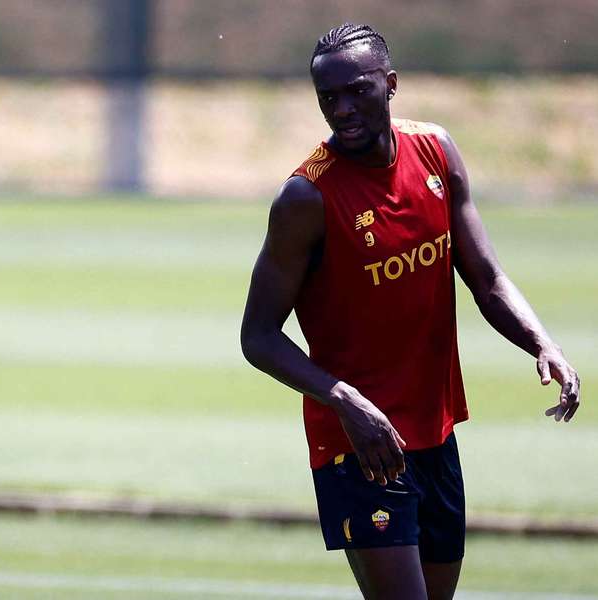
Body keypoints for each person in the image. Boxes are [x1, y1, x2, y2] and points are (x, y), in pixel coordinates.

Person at [239, 22, 581, 600]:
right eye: (328, 98)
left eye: (357, 92)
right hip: (358, 443)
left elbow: (488, 278)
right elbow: (257, 336)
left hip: (433, 433)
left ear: (390, 83)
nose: (342, 109)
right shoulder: (305, 199)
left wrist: (543, 344)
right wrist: (345, 400)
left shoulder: (435, 151)